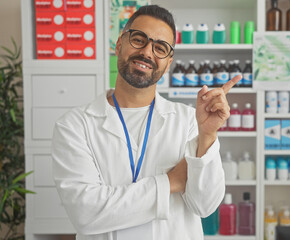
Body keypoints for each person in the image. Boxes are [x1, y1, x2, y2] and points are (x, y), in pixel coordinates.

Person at [51, 5, 241, 240]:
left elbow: (205, 206)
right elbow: (85, 213)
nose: (147, 53)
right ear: (119, 44)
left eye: (160, 48)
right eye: (139, 39)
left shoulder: (189, 122)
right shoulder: (74, 126)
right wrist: (171, 182)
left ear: (168, 62)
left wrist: (208, 136)